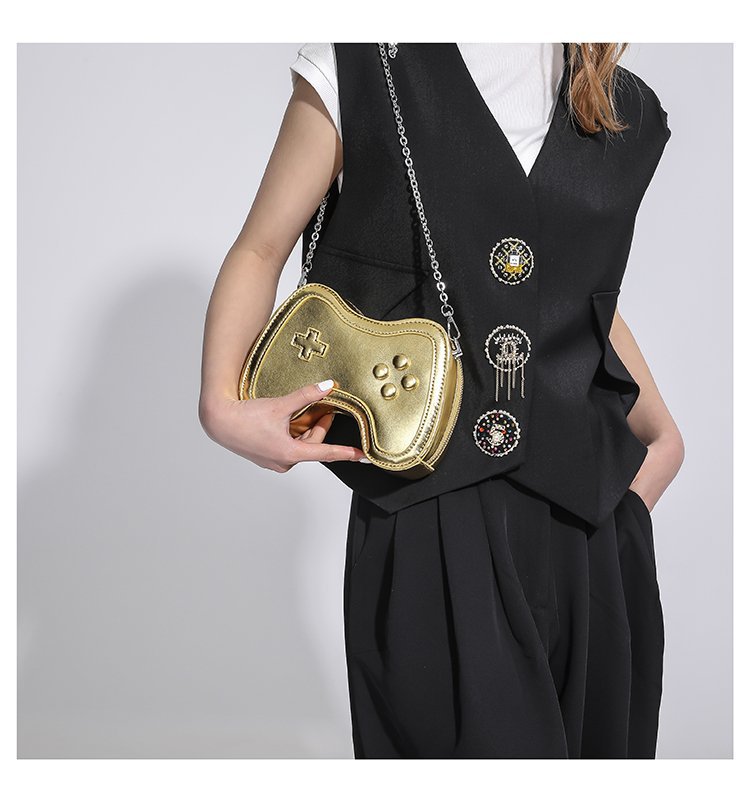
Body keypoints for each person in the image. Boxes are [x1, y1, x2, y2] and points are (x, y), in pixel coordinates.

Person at [198, 43, 685, 759]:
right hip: (432, 515)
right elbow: (261, 247)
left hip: (595, 529)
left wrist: (662, 443)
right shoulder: (363, 59)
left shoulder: (619, 102)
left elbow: (575, 292)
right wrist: (220, 404)